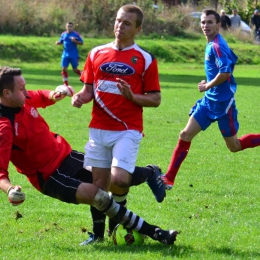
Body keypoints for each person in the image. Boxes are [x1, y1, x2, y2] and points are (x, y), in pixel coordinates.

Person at [0, 66, 178, 246]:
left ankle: (149, 173)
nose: (26, 91)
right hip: (49, 176)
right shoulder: (4, 127)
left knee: (112, 179)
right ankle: (156, 233)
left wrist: (55, 94)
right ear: (6, 93)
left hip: (67, 156)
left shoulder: (23, 99)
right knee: (98, 195)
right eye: (21, 89)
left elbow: (40, 95)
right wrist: (9, 189)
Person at [71, 4, 165, 244]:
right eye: (118, 21)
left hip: (127, 129)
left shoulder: (144, 59)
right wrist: (80, 98)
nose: (120, 26)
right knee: (99, 186)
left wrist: (133, 97)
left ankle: (150, 173)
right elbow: (88, 90)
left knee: (120, 180)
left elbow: (155, 98)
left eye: (127, 23)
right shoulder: (96, 53)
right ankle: (100, 236)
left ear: (138, 29)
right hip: (98, 128)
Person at [161, 9, 260, 190]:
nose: (205, 26)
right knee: (185, 134)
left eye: (210, 22)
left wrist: (208, 85)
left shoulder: (216, 45)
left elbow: (226, 72)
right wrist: (211, 85)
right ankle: (168, 179)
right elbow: (227, 66)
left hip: (223, 105)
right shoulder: (211, 44)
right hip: (208, 102)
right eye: (203, 22)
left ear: (218, 24)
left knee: (234, 146)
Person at [56, 22, 83, 86]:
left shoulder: (76, 34)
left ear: (72, 27)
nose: (69, 28)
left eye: (70, 26)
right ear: (66, 27)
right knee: (63, 69)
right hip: (65, 54)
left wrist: (75, 41)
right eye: (68, 26)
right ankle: (66, 85)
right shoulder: (63, 34)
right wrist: (58, 43)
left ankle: (86, 77)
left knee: (75, 70)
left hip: (73, 54)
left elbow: (81, 42)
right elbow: (61, 41)